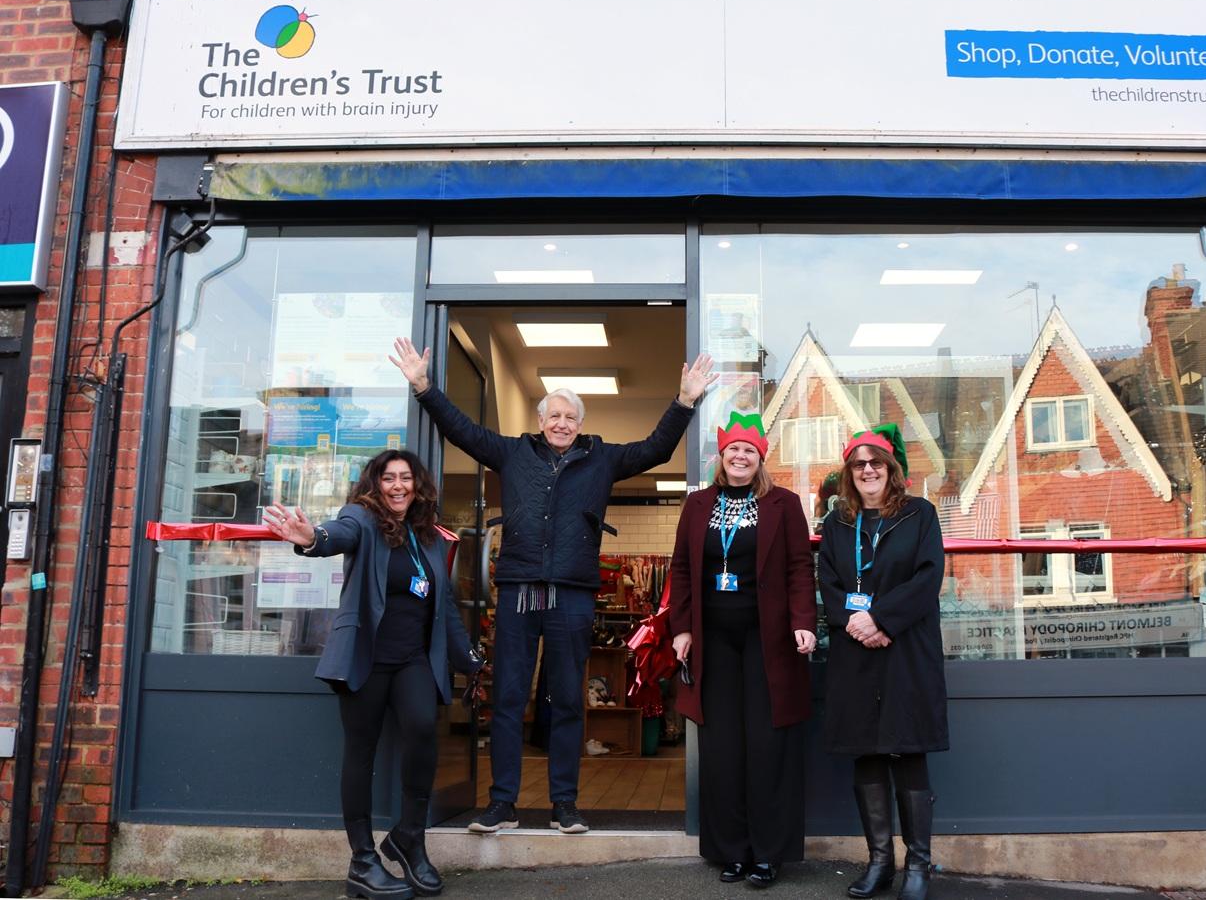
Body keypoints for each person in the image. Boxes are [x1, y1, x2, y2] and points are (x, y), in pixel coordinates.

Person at [389, 337, 716, 835]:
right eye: (554, 416)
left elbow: (656, 449)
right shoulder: (512, 452)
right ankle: (502, 805)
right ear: (541, 421)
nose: (562, 423)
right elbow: (461, 431)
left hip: (573, 594)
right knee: (508, 698)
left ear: (580, 424)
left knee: (566, 699)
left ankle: (565, 803)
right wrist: (424, 388)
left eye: (570, 417)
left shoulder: (602, 459)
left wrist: (685, 401)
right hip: (520, 588)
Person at [263, 449, 483, 900]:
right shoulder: (361, 518)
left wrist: (469, 661)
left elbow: (444, 611)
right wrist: (311, 537)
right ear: (376, 485)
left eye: (406, 478)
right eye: (389, 478)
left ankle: (408, 838)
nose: (398, 486)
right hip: (366, 657)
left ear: (418, 486)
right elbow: (335, 535)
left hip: (412, 660)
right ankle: (362, 860)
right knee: (360, 753)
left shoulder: (432, 539)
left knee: (423, 731)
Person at [668, 412, 817, 889]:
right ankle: (730, 851)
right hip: (713, 641)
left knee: (767, 745)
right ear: (722, 456)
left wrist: (803, 623)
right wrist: (681, 629)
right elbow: (683, 570)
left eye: (749, 450)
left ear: (760, 459)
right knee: (722, 748)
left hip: (768, 641)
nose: (740, 456)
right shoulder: (697, 506)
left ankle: (768, 854)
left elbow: (799, 568)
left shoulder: (784, 504)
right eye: (733, 449)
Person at [817, 424, 947, 900]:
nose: (867, 470)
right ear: (849, 474)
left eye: (876, 462)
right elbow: (828, 580)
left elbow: (927, 578)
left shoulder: (920, 514)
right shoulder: (836, 523)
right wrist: (855, 623)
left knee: (908, 749)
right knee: (867, 750)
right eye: (858, 464)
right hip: (856, 650)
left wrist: (881, 620)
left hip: (905, 647)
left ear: (891, 470)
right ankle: (879, 862)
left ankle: (918, 863)